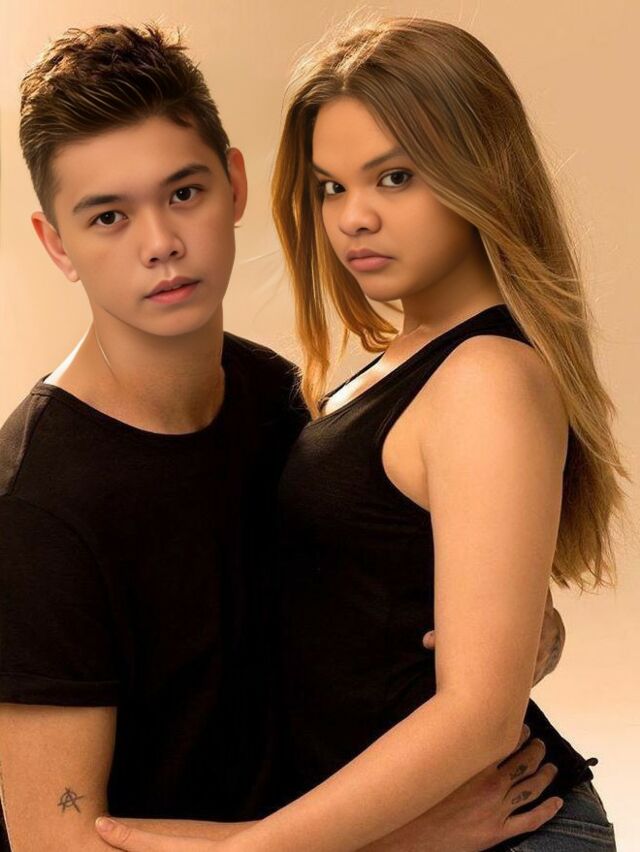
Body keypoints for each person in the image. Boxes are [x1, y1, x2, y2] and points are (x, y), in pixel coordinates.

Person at [0, 21, 569, 852]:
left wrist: (516, 634)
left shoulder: (276, 397)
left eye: (183, 194)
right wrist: (401, 843)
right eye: (109, 216)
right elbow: (56, 844)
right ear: (58, 245)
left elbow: (377, 607)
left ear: (235, 185)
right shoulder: (37, 505)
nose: (161, 245)